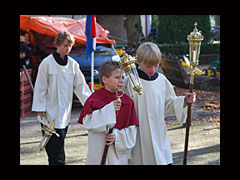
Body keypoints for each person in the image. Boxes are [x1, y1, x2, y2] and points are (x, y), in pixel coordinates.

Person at [125, 42, 196, 165]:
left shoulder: (161, 80)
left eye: (156, 65)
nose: (152, 70)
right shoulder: (130, 81)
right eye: (148, 66)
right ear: (139, 61)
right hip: (138, 134)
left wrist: (184, 101)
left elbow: (169, 103)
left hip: (158, 132)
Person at [32, 31, 91, 165]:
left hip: (64, 109)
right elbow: (41, 86)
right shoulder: (46, 63)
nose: (68, 48)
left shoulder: (73, 64)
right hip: (48, 110)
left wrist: (89, 103)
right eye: (65, 45)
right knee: (51, 144)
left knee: (60, 140)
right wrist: (40, 108)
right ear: (57, 45)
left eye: (70, 46)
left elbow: (80, 85)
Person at [78, 60, 139, 165]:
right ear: (105, 79)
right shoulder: (95, 99)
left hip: (118, 157)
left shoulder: (127, 102)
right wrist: (109, 110)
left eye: (123, 77)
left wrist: (117, 136)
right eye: (117, 77)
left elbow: (132, 131)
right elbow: (88, 122)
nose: (121, 81)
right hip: (98, 152)